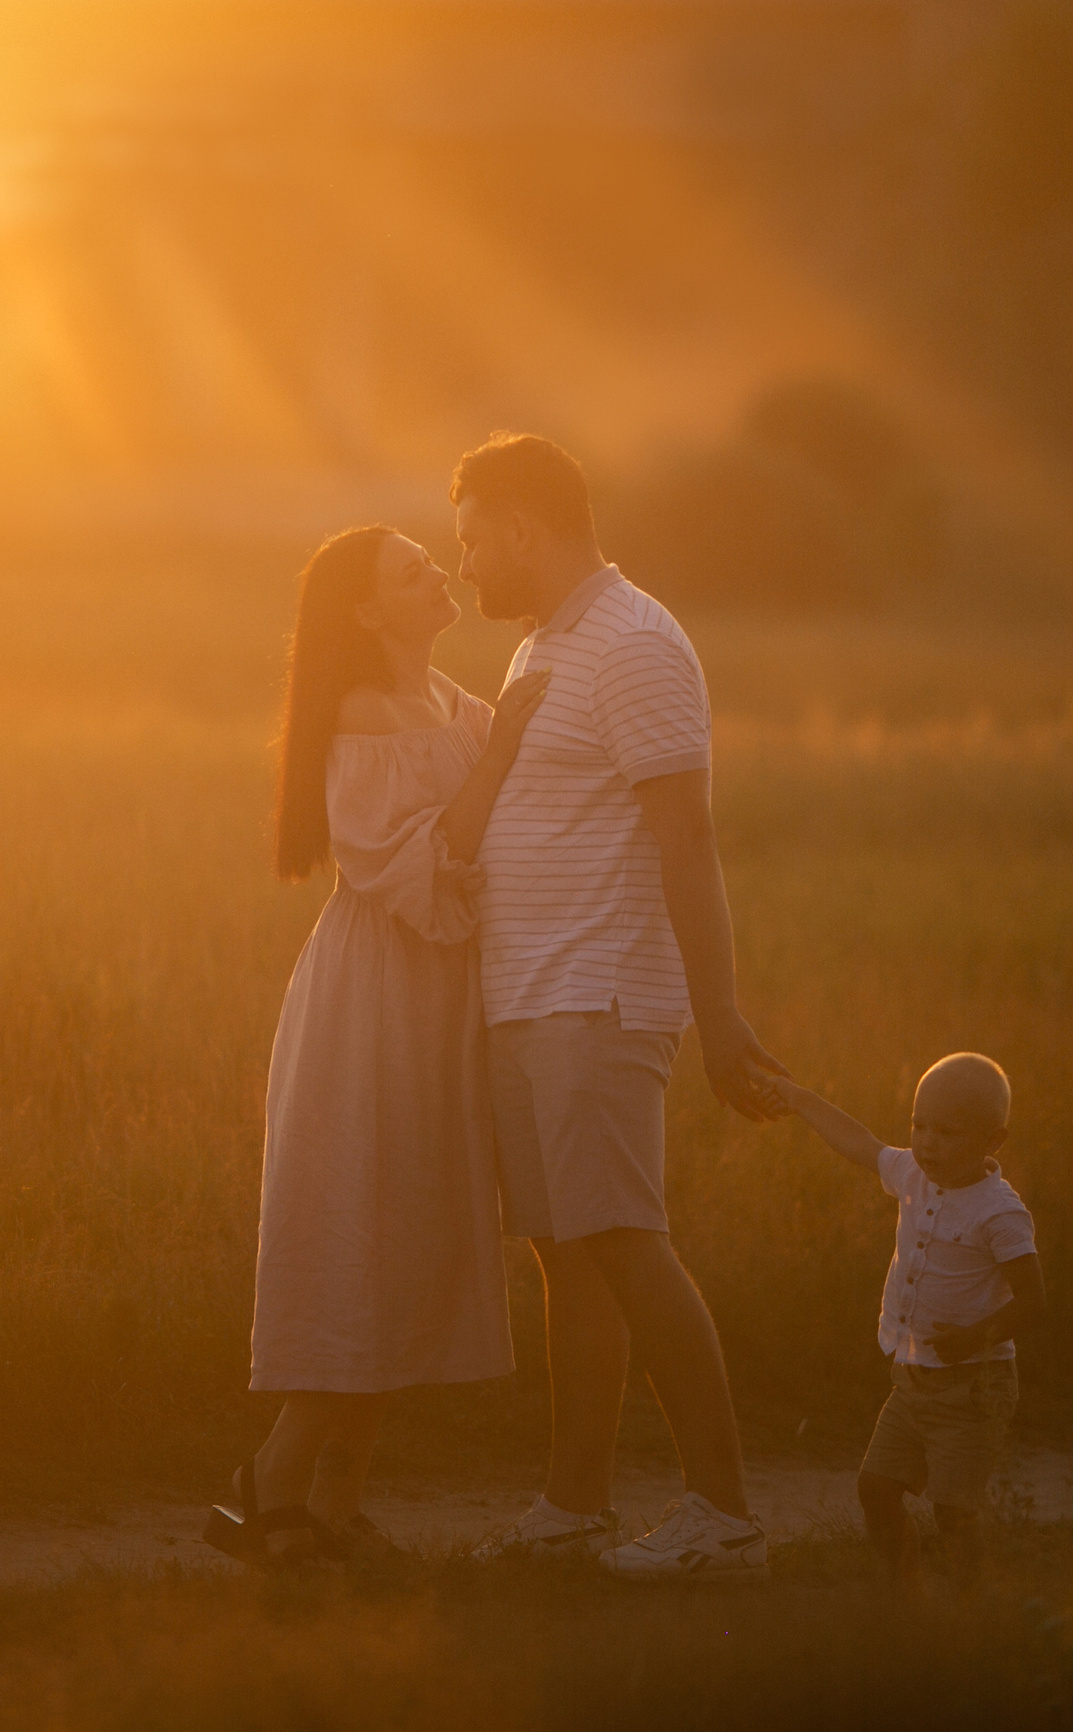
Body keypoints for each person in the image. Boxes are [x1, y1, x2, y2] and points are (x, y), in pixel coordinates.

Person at [452, 432, 789, 1582]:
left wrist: (721, 1015)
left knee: (626, 1243)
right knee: (569, 1253)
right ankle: (574, 1505)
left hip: (597, 994)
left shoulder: (638, 643)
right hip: (531, 993)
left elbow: (685, 834)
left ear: (521, 528)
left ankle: (724, 1513)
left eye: (470, 543)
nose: (464, 572)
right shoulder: (545, 643)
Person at [206, 525, 551, 1566]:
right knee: (362, 1237)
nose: (435, 573)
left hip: (443, 998)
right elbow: (417, 863)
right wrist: (501, 752)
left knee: (407, 1241)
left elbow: (511, 822)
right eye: (410, 572)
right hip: (374, 998)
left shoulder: (455, 705)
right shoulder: (365, 716)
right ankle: (271, 1483)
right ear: (365, 613)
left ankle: (333, 1501)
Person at [768, 1054, 1046, 1588]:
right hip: (912, 1382)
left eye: (947, 1131)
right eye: (919, 1125)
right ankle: (906, 1591)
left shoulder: (999, 1213)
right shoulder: (913, 1175)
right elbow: (857, 1141)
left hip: (973, 1390)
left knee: (954, 1513)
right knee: (875, 1488)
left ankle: (975, 1605)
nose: (927, 1142)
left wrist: (972, 1339)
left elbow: (1034, 1304)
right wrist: (800, 1100)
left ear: (994, 1140)